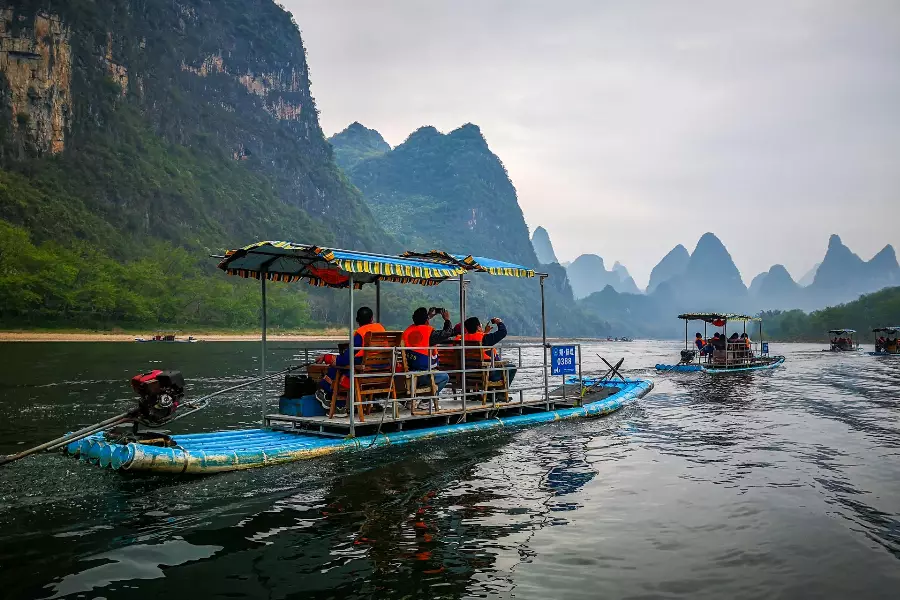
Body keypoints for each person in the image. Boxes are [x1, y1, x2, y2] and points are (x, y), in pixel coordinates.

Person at [316, 306, 384, 409]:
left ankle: (339, 404)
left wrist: (326, 357)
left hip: (364, 374)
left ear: (357, 320)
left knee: (336, 369)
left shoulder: (361, 335)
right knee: (347, 367)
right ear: (372, 319)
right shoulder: (381, 330)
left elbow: (345, 360)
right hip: (382, 372)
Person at [402, 307, 456, 405]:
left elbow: (420, 328)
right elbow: (447, 333)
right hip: (422, 375)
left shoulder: (408, 331)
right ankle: (426, 402)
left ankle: (410, 401)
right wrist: (447, 319)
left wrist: (428, 317)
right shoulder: (428, 333)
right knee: (444, 377)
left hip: (407, 373)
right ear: (426, 320)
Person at [460, 316, 516, 385]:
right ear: (478, 327)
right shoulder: (484, 339)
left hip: (467, 373)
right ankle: (501, 391)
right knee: (512, 367)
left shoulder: (462, 339)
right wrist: (499, 323)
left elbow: (476, 338)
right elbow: (503, 332)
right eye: (480, 325)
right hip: (486, 374)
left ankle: (493, 390)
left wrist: (485, 332)